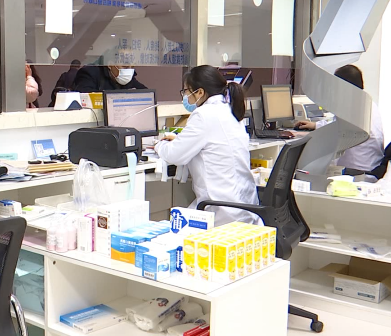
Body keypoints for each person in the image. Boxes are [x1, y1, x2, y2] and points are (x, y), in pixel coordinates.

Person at [155, 65, 260, 226]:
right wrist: (180, 140)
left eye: (186, 91)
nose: (185, 97)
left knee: (174, 226)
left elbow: (174, 155)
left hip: (222, 212)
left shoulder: (203, 114)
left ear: (200, 92)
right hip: (247, 208)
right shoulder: (229, 109)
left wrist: (159, 144)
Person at [295, 64, 384, 174]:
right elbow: (338, 126)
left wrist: (300, 135)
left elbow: (332, 135)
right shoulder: (367, 104)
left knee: (306, 171)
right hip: (371, 167)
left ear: (343, 87)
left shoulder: (352, 109)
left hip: (357, 172)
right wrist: (315, 125)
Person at [73, 52, 147, 93]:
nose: (129, 70)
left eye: (132, 67)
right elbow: (84, 96)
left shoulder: (129, 77)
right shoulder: (90, 73)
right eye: (125, 66)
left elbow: (147, 93)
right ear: (110, 65)